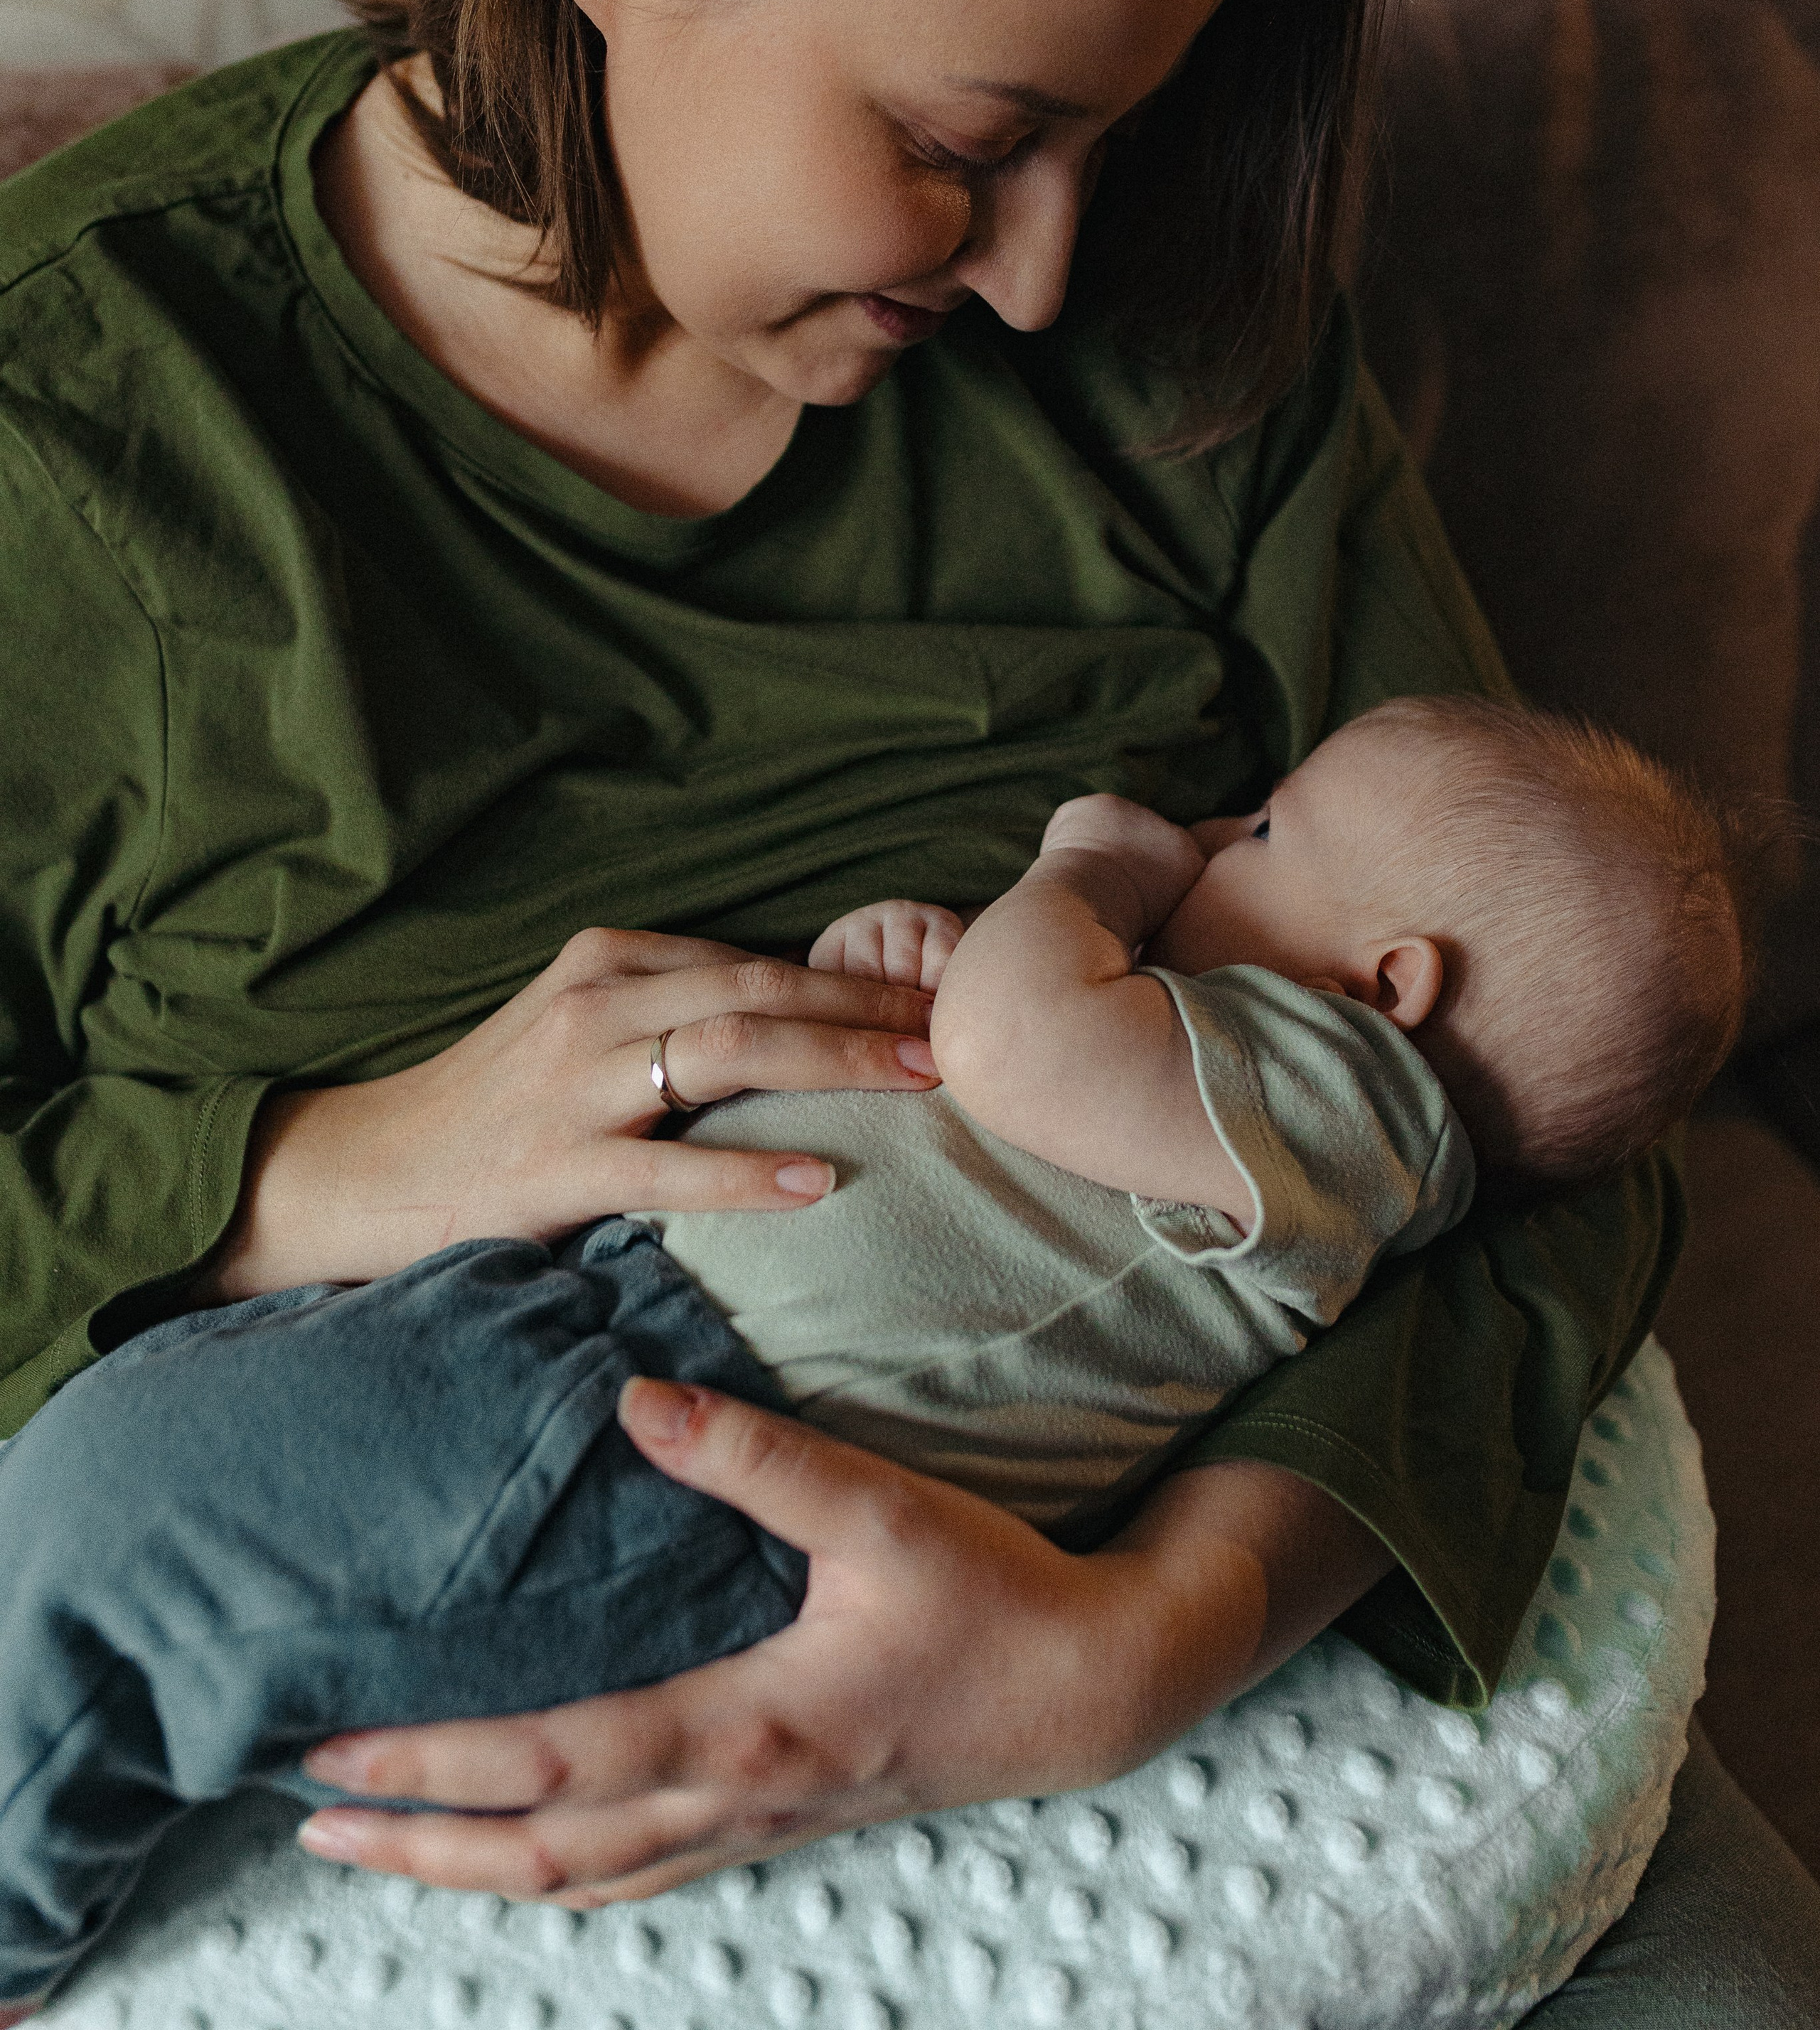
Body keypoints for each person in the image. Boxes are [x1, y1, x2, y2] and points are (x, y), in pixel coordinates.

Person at [0, 0, 1814, 2024]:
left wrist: (1121, 1653)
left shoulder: (1174, 326)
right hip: (449, 1583)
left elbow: (1562, 1075)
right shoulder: (78, 430)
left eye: (1113, 137)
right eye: (970, 139)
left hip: (1236, 1621)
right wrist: (310, 1168)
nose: (1050, 275)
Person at [0, 696, 1752, 2014]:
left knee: (124, 1545)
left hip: (671, 1442)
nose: (1216, 840)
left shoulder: (1342, 1118)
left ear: (1389, 987)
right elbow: (981, 1072)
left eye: (1270, 837)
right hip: (596, 1334)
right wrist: (911, 964)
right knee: (148, 1467)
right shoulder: (1221, 1098)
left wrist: (1080, 878)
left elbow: (1013, 1040)